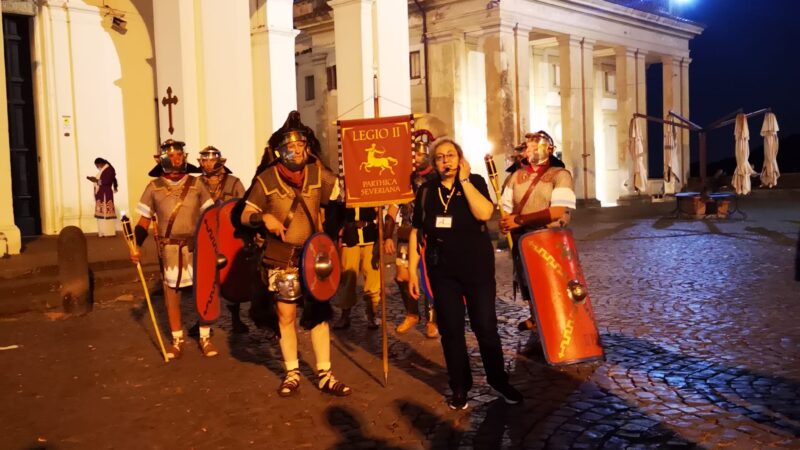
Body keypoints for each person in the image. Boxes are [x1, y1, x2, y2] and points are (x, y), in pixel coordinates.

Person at [239, 111, 351, 398]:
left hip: (314, 257)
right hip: (282, 257)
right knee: (286, 315)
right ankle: (292, 372)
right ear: (279, 151)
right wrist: (263, 219)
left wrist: (369, 191)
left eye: (301, 145)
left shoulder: (317, 173)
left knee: (319, 314)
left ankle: (325, 373)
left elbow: (342, 194)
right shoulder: (266, 179)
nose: (297, 151)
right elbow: (245, 214)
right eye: (291, 146)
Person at [408, 137, 522, 410]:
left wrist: (466, 181)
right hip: (442, 269)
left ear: (460, 158)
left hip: (476, 267)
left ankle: (498, 380)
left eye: (451, 155)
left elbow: (484, 213)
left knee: (485, 327)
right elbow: (417, 232)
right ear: (434, 163)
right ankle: (460, 385)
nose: (446, 160)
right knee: (451, 330)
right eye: (440, 157)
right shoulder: (426, 191)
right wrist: (413, 271)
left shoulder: (476, 181)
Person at [130, 139, 216, 359]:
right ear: (164, 159)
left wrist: (217, 244)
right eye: (173, 155)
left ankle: (205, 336)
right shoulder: (154, 187)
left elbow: (212, 217)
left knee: (203, 292)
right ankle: (177, 339)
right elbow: (143, 221)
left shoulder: (197, 185)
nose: (177, 158)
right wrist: (135, 245)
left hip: (197, 247)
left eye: (180, 155)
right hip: (170, 249)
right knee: (172, 296)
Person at [499, 131, 576, 332]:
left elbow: (557, 211)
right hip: (522, 239)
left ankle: (557, 323)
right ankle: (535, 318)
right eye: (528, 146)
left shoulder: (560, 175)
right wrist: (505, 222)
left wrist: (519, 220)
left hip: (548, 238)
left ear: (549, 149)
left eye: (536, 145)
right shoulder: (515, 176)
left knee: (551, 284)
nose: (531, 149)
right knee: (527, 283)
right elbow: (506, 208)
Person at [384, 132, 439, 338]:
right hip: (407, 233)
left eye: (418, 154)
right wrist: (388, 235)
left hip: (430, 233)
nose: (414, 158)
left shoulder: (437, 178)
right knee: (402, 276)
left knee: (430, 277)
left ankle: (432, 320)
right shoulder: (404, 178)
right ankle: (411, 313)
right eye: (412, 155)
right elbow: (392, 208)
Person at [195, 145, 248, 334]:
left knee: (231, 277)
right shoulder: (195, 184)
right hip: (205, 237)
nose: (208, 163)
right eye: (205, 160)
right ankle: (203, 320)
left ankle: (236, 318)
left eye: (211, 159)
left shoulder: (233, 183)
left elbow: (242, 207)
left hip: (229, 237)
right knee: (204, 279)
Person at [331, 206, 381, 330]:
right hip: (350, 236)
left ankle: (372, 314)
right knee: (348, 276)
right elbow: (334, 207)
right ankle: (345, 316)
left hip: (370, 235)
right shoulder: (341, 186)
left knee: (372, 276)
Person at [87, 158, 118, 237]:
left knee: (106, 213)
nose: (97, 167)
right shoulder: (105, 170)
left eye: (97, 165)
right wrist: (95, 180)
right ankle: (102, 232)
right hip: (101, 193)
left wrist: (95, 180)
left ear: (100, 163)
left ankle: (108, 232)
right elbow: (101, 180)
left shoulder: (109, 169)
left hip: (105, 194)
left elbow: (106, 181)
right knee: (101, 213)